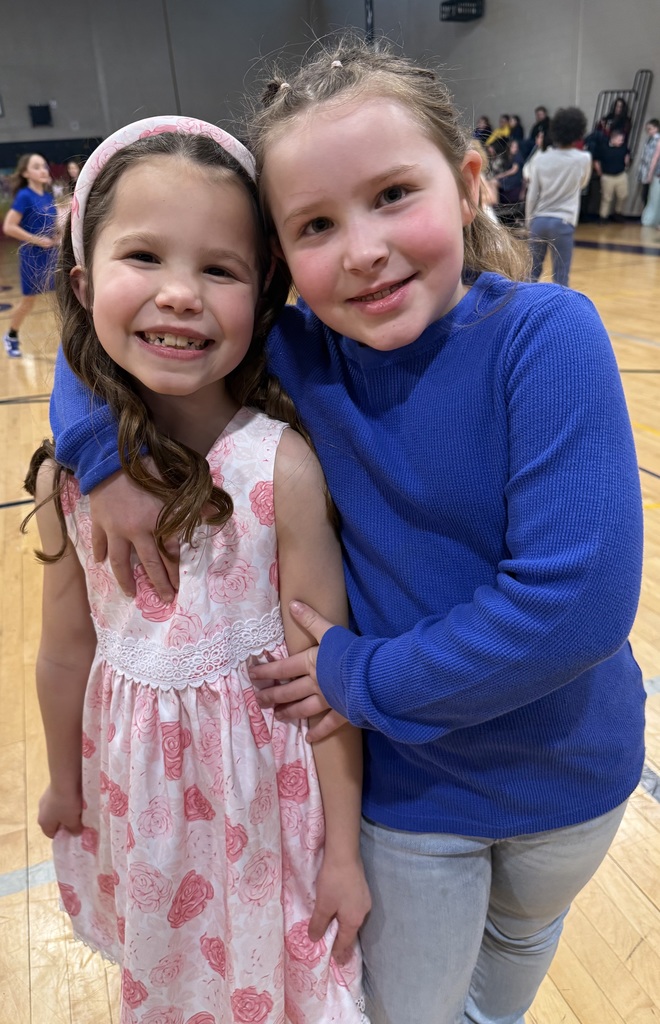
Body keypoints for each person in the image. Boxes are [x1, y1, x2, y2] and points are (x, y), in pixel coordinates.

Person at [49, 40, 645, 1024]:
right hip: (418, 798)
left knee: (510, 969)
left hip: (574, 784)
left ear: (465, 183)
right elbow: (117, 328)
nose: (363, 247)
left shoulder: (546, 332)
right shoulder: (297, 352)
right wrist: (98, 454)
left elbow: (575, 606)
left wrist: (355, 676)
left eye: (392, 195)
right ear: (284, 261)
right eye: (318, 224)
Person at [25, 116, 369, 1023]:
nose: (181, 295)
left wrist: (341, 855)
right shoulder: (73, 482)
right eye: (146, 256)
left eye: (218, 269)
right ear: (85, 282)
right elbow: (65, 650)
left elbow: (325, 676)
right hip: (146, 822)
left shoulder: (279, 469)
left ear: (261, 302)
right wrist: (66, 776)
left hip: (273, 822)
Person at [525, 106, 592, 286]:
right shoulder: (583, 158)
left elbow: (532, 195)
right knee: (561, 278)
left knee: (531, 274)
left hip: (538, 221)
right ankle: (559, 314)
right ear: (579, 131)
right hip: (563, 222)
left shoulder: (540, 159)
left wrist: (528, 221)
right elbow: (583, 183)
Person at [2, 153, 59, 357]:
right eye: (36, 167)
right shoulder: (25, 196)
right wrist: (37, 240)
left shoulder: (47, 196)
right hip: (32, 257)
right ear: (26, 173)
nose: (43, 170)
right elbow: (9, 226)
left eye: (44, 165)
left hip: (52, 254)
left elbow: (51, 225)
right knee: (28, 302)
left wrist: (58, 235)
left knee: (66, 296)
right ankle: (11, 335)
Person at [595, 128, 631, 222]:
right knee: (606, 198)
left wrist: (626, 163)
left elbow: (627, 154)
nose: (621, 142)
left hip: (621, 174)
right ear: (613, 138)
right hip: (607, 176)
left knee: (623, 195)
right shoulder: (603, 147)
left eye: (622, 140)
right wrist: (600, 173)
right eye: (619, 139)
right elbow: (596, 160)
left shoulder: (623, 146)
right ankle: (603, 217)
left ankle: (618, 213)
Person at [637, 118, 660, 206]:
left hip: (654, 171)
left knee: (651, 195)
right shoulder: (649, 139)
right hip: (646, 169)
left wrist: (651, 173)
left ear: (656, 128)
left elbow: (655, 157)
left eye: (650, 129)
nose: (648, 131)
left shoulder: (658, 140)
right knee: (645, 194)